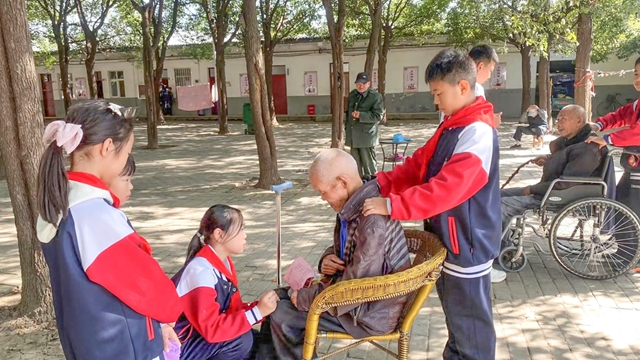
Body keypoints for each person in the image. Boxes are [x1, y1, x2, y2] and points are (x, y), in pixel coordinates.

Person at [361, 49, 501, 360]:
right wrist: (380, 182)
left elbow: (444, 191)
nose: (435, 101)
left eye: (438, 93)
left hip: (468, 243)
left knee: (471, 328)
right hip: (451, 239)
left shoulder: (477, 131)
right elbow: (418, 166)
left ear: (462, 87)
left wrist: (391, 205)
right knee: (458, 322)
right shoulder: (453, 124)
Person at [36, 100, 182, 360]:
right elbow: (146, 285)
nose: (126, 160)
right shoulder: (94, 215)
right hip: (123, 346)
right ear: (107, 147)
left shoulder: (60, 205)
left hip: (89, 344)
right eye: (126, 153)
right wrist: (170, 313)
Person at [256, 148, 411, 360]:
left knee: (282, 314)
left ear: (342, 182)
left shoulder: (372, 221)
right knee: (275, 298)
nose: (322, 199)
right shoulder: (354, 203)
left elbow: (358, 284)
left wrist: (304, 297)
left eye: (323, 192)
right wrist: (326, 259)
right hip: (356, 300)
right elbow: (348, 250)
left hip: (369, 312)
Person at [172, 205, 279, 360]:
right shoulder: (201, 272)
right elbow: (212, 329)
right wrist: (257, 312)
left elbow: (231, 309)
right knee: (241, 341)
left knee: (258, 340)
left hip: (199, 337)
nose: (245, 235)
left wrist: (259, 308)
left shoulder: (222, 262)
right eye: (240, 229)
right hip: (179, 345)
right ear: (219, 235)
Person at [501, 105, 606, 248]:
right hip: (548, 190)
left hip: (558, 195)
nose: (559, 122)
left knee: (500, 205)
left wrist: (532, 189)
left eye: (564, 119)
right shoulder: (570, 141)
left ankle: (501, 249)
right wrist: (549, 158)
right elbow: (567, 159)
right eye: (558, 119)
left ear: (579, 121)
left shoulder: (588, 148)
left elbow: (567, 183)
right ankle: (500, 241)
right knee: (495, 195)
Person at [441, 45, 503, 127]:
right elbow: (476, 123)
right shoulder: (475, 88)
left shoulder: (453, 83)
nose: (489, 76)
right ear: (480, 67)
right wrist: (492, 122)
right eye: (490, 71)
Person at [345, 72, 384, 178]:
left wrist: (361, 115)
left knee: (369, 166)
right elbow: (348, 114)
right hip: (353, 136)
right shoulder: (353, 95)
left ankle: (372, 186)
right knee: (355, 166)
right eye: (358, 83)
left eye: (363, 83)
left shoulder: (375, 97)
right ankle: (358, 188)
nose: (360, 86)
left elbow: (378, 115)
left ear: (369, 84)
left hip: (366, 137)